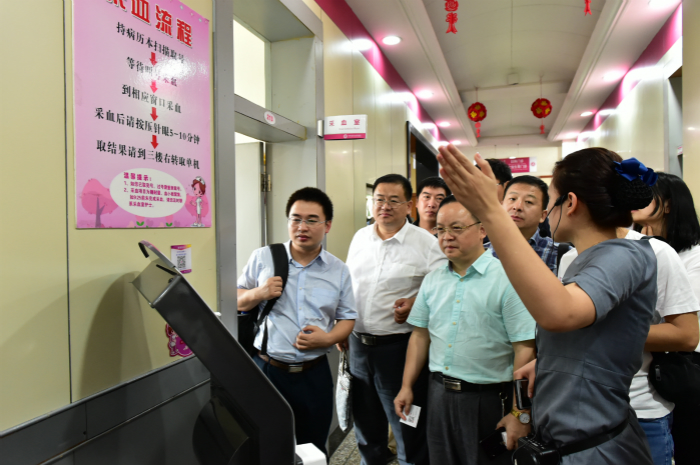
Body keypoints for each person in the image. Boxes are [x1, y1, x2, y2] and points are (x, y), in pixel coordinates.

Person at [438, 145, 656, 463]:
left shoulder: (625, 254)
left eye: (550, 202)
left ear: (570, 203)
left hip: (595, 449)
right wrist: (552, 363)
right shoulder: (582, 259)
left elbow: (560, 313)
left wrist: (491, 211)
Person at [394, 196, 536, 464]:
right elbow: (420, 336)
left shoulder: (507, 279)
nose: (447, 236)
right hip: (438, 394)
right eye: (440, 229)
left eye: (456, 228)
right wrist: (406, 386)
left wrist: (520, 413)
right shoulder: (432, 280)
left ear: (482, 230)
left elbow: (525, 349)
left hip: (488, 398)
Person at [558, 225, 698, 465]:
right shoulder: (570, 258)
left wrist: (600, 333)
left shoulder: (655, 251)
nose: (547, 213)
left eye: (550, 205)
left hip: (639, 411)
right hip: (578, 411)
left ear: (572, 206)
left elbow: (686, 335)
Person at [237, 187, 356, 456]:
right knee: (267, 447)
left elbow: (348, 317)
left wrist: (328, 338)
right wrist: (258, 293)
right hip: (268, 372)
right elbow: (236, 299)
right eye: (296, 219)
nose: (302, 227)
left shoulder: (338, 270)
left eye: (312, 220)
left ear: (327, 225)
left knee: (312, 449)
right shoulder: (263, 257)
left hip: (314, 375)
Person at [344, 174, 446, 465]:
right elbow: (348, 286)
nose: (384, 206)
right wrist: (343, 324)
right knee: (366, 426)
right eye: (379, 199)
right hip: (358, 347)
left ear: (408, 205)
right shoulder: (360, 237)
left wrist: (415, 302)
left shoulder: (427, 244)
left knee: (407, 426)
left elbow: (442, 287)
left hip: (400, 351)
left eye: (393, 200)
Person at [631, 172, 700, 465]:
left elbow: (682, 323)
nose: (635, 200)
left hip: (684, 365)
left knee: (687, 445)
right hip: (651, 364)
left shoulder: (693, 257)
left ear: (668, 205)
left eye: (646, 194)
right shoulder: (638, 246)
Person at [486, 175, 571, 273]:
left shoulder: (562, 254)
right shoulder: (482, 252)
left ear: (542, 216)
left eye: (529, 202)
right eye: (512, 199)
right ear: (501, 206)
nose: (517, 207)